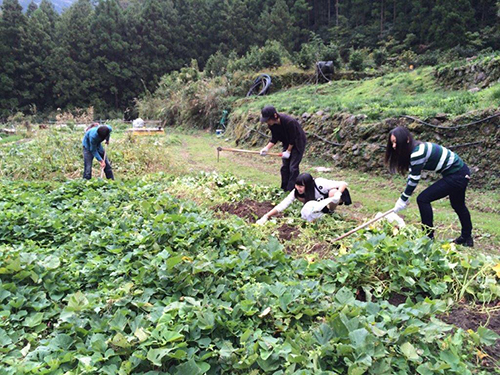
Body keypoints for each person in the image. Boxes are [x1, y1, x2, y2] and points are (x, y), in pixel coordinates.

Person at [385, 126, 473, 246]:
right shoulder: (415, 150)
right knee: (458, 205)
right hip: (460, 173)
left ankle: (428, 239)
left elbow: (414, 179)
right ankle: (467, 238)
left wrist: (403, 199)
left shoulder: (417, 153)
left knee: (423, 199)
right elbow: (412, 175)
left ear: (406, 140)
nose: (394, 146)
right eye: (392, 143)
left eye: (396, 142)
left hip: (458, 175)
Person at [256, 173, 350, 224]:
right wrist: (266, 216)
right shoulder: (296, 192)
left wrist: (338, 193)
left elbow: (343, 184)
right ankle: (322, 213)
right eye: (297, 185)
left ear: (308, 185)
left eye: (301, 186)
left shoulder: (320, 183)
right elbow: (282, 205)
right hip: (318, 203)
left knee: (333, 193)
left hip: (329, 197)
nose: (298, 188)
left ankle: (331, 211)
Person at [259, 106, 307, 191]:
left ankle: (291, 190)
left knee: (293, 167)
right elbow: (274, 138)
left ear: (275, 116)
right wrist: (266, 148)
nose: (267, 122)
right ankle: (284, 189)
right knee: (285, 167)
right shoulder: (272, 125)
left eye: (268, 119)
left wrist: (288, 151)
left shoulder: (289, 122)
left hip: (298, 142)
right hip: (287, 142)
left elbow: (293, 139)